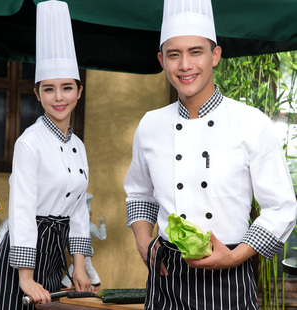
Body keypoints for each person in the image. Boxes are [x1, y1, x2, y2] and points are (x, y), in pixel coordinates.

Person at [124, 0, 297, 309]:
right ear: (162, 60)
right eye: (174, 55)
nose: (185, 65)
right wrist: (143, 243)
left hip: (229, 277)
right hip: (166, 277)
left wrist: (236, 255)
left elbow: (281, 207)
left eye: (196, 52)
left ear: (215, 55)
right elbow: (139, 194)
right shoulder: (150, 124)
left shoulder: (251, 123)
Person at [0, 1, 93, 309]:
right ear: (37, 93)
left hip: (53, 255)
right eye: (49, 89)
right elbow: (21, 209)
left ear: (79, 91)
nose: (59, 97)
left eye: (67, 88)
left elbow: (78, 210)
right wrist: (25, 276)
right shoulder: (29, 142)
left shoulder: (79, 146)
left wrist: (80, 265)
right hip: (21, 259)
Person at [62, 193, 107, 290]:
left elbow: (102, 236)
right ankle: (94, 282)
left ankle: (94, 282)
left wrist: (102, 225)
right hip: (74, 250)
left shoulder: (91, 226)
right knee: (79, 265)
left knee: (83, 266)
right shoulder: (73, 225)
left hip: (86, 251)